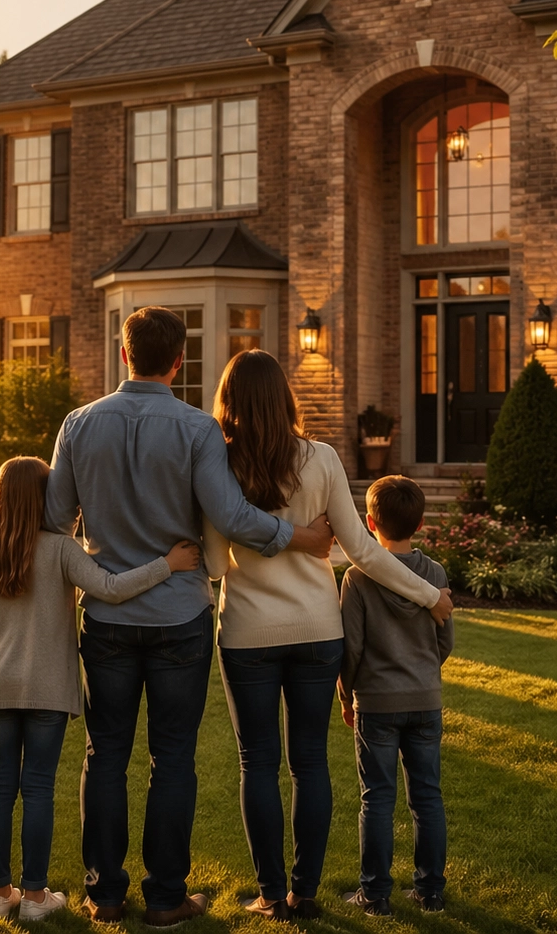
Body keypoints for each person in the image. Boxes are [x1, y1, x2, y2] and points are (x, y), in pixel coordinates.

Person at [46, 306, 336, 927]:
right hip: (179, 618)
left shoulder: (78, 425)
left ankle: (105, 895)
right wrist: (300, 537)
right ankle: (167, 897)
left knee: (105, 755)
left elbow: (54, 522)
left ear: (125, 355)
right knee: (170, 758)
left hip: (107, 617)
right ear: (179, 361)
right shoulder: (197, 429)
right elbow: (232, 520)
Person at [202, 349, 453, 921]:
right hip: (318, 630)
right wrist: (428, 595)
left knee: (257, 764)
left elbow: (215, 566)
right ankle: (305, 891)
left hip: (247, 634)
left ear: (229, 403)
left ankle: (270, 896)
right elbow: (363, 551)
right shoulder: (321, 458)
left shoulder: (220, 464)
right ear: (285, 396)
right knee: (309, 762)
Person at [0, 455, 203, 922]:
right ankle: (35, 899)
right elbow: (111, 588)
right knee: (36, 788)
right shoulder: (60, 549)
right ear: (44, 499)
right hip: (47, 689)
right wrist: (168, 565)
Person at [339, 474, 454, 916]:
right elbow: (446, 642)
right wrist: (423, 673)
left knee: (377, 798)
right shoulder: (436, 573)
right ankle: (431, 891)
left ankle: (375, 894)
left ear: (369, 522)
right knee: (427, 797)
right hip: (425, 700)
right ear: (421, 522)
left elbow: (351, 648)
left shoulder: (358, 577)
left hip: (378, 704)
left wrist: (347, 696)